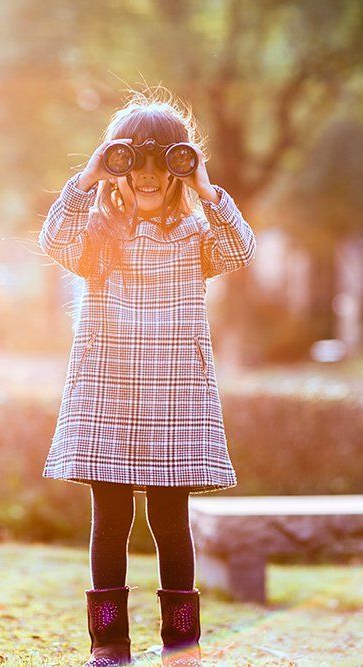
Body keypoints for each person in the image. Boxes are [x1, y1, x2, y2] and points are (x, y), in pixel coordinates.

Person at [39, 90, 257, 666]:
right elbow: (51, 240)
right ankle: (108, 644)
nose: (149, 177)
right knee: (109, 521)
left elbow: (240, 248)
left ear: (181, 171)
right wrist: (87, 177)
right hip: (109, 396)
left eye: (164, 164)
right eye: (133, 163)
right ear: (117, 168)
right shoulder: (98, 233)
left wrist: (209, 192)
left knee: (171, 523)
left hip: (173, 400)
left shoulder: (192, 238)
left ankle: (181, 642)